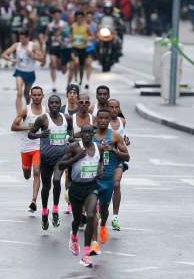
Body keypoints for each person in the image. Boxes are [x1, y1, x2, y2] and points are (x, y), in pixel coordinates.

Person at [57, 124, 104, 268]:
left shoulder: (99, 148)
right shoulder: (74, 147)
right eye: (85, 133)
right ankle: (74, 235)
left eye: (90, 133)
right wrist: (77, 157)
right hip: (75, 188)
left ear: (93, 134)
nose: (88, 135)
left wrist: (100, 170)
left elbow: (101, 161)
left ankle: (86, 254)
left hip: (91, 187)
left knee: (90, 216)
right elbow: (60, 165)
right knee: (77, 220)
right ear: (81, 134)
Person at [29, 95, 73, 230]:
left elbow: (70, 130)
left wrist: (69, 137)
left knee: (57, 180)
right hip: (46, 157)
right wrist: (39, 135)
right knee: (46, 186)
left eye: (57, 103)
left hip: (61, 156)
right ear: (48, 105)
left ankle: (54, 210)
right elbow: (30, 134)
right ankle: (44, 212)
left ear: (60, 105)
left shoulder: (67, 118)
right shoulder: (43, 119)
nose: (54, 105)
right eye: (52, 103)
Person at [91, 109, 129, 251]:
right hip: (92, 179)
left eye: (105, 119)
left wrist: (113, 150)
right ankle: (94, 242)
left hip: (107, 178)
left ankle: (102, 226)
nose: (102, 121)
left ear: (108, 121)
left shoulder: (114, 136)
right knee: (93, 210)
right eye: (100, 118)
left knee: (104, 209)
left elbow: (127, 157)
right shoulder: (90, 135)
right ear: (96, 120)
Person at [11, 86, 46, 212]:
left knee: (37, 172)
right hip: (26, 148)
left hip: (39, 147)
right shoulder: (26, 110)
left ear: (43, 96)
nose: (36, 97)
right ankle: (27, 171)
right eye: (34, 95)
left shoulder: (45, 111)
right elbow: (13, 126)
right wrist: (28, 128)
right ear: (31, 96)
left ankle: (33, 200)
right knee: (27, 175)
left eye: (39, 95)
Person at [1, 29, 44, 115]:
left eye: (23, 38)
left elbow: (42, 59)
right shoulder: (17, 45)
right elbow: (4, 54)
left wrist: (32, 55)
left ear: (28, 38)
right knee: (19, 92)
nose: (21, 40)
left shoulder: (33, 46)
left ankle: (28, 107)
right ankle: (19, 115)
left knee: (26, 94)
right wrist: (11, 59)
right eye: (20, 38)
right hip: (19, 72)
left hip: (30, 73)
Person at [108, 98, 130, 231]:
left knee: (116, 184)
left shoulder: (122, 121)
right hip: (104, 159)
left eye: (117, 107)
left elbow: (124, 137)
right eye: (111, 107)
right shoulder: (102, 121)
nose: (114, 110)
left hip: (118, 159)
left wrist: (126, 140)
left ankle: (115, 217)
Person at [47, 8, 68, 93]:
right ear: (53, 16)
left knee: (63, 70)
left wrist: (64, 42)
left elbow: (67, 34)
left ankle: (61, 67)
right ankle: (54, 84)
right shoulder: (50, 25)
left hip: (62, 48)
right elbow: (47, 37)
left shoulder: (64, 24)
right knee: (53, 64)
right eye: (55, 15)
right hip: (53, 47)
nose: (57, 16)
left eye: (58, 15)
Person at [71, 11, 89, 87]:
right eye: (78, 17)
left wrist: (86, 39)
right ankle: (75, 79)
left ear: (83, 18)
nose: (79, 19)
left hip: (83, 48)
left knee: (81, 66)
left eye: (81, 18)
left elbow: (92, 35)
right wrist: (71, 39)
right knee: (76, 62)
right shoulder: (72, 26)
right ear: (76, 18)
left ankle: (80, 81)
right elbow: (69, 35)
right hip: (74, 47)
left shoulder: (86, 27)